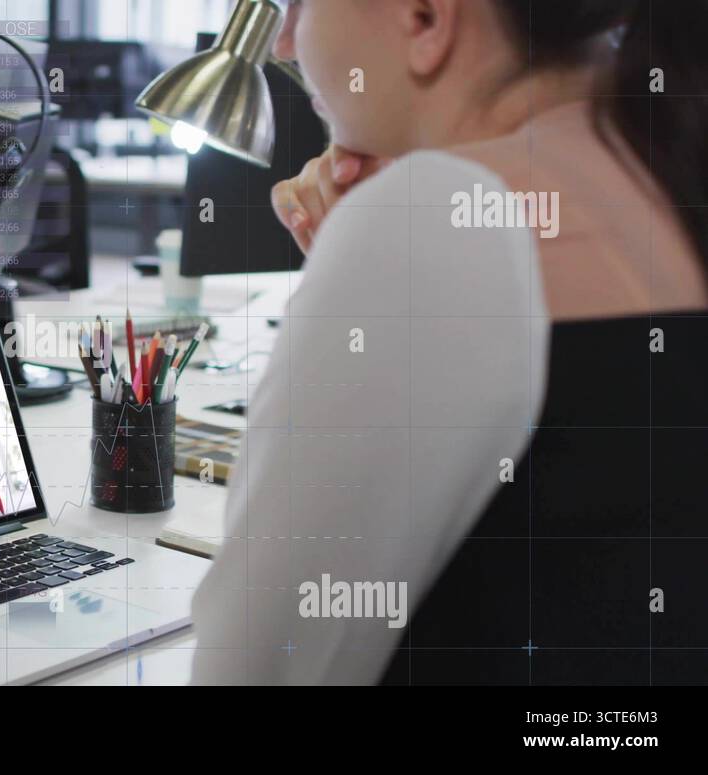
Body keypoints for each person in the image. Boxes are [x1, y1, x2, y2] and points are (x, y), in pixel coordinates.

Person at [191, 0, 707, 684]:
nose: (284, 41)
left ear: (426, 18)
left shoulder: (429, 221)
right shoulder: (666, 170)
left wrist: (375, 256)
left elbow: (255, 666)